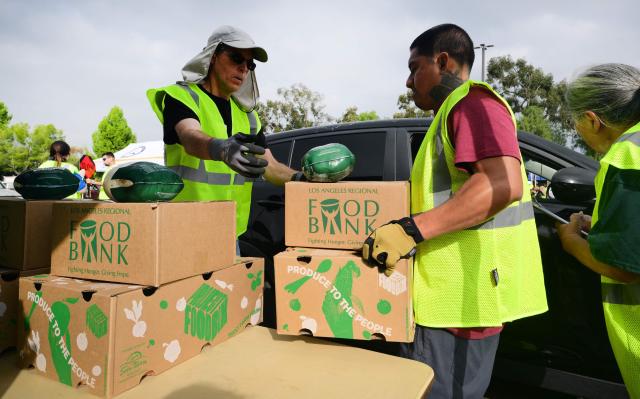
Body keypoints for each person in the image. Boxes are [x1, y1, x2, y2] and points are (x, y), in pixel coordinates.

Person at [361, 24, 548, 398]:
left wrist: (410, 231)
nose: (408, 81)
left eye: (415, 68)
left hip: (460, 305)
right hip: (454, 302)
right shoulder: (451, 114)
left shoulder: (473, 104)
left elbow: (502, 184)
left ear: (442, 61)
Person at [557, 63, 640, 398]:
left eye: (575, 122)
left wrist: (571, 241)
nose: (577, 131)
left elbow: (622, 266)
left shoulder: (626, 158)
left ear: (592, 119)